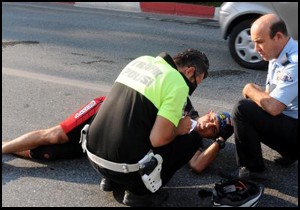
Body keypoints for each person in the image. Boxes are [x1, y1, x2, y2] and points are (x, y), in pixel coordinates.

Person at [219, 14, 298, 180]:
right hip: (292, 124)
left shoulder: (295, 62)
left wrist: (249, 88)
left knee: (243, 109)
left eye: (260, 42)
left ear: (278, 37)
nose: (256, 48)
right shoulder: (278, 54)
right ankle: (289, 153)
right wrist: (256, 93)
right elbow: (272, 95)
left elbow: (274, 107)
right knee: (255, 102)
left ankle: (252, 170)